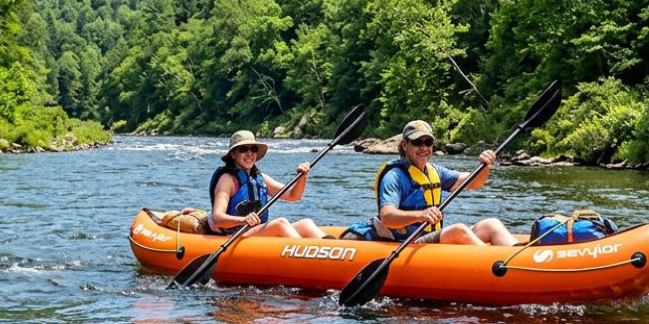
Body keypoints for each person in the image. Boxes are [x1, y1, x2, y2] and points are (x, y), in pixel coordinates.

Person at [342, 119, 517, 246]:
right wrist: (421, 215)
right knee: (457, 230)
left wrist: (485, 165)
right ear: (404, 145)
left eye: (428, 142)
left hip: (429, 239)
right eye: (417, 142)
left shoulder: (435, 172)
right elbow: (387, 217)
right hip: (408, 242)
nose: (424, 147)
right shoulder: (394, 176)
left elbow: (474, 183)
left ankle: (519, 258)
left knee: (491, 224)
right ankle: (497, 267)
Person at [207, 130, 328, 240]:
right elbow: (217, 218)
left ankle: (331, 248)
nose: (249, 153)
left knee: (306, 224)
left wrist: (303, 176)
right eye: (243, 149)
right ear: (233, 154)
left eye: (253, 149)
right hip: (235, 236)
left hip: (256, 232)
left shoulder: (260, 178)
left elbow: (293, 195)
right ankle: (305, 253)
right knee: (280, 224)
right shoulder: (227, 180)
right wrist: (243, 220)